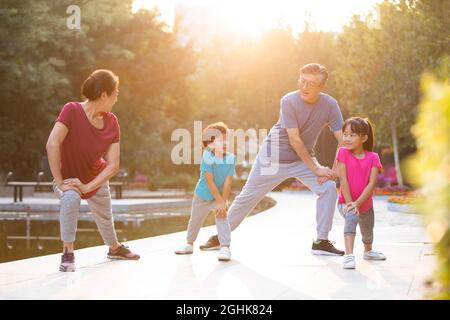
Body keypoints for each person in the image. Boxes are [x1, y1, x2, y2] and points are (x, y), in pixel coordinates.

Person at [200, 63, 345, 256]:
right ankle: (219, 237)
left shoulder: (330, 105)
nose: (304, 87)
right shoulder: (289, 101)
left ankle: (321, 241)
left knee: (328, 188)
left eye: (311, 83)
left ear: (321, 87)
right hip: (272, 158)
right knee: (246, 198)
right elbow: (295, 139)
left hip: (302, 160)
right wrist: (317, 169)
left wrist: (334, 171)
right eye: (302, 81)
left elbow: (342, 140)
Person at [46, 69, 140, 272]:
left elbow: (113, 165)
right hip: (69, 179)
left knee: (106, 217)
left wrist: (88, 185)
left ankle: (114, 248)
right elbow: (52, 143)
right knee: (70, 199)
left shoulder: (112, 121)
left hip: (96, 177)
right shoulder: (71, 110)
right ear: (105, 94)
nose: (117, 98)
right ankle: (68, 253)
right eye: (116, 93)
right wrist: (61, 182)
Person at [175, 122, 235, 261]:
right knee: (195, 220)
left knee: (222, 217)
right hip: (202, 195)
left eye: (227, 139)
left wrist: (223, 201)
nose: (226, 143)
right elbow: (209, 180)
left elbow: (228, 180)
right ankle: (189, 244)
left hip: (219, 196)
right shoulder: (207, 156)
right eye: (221, 140)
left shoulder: (231, 158)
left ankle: (225, 247)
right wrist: (220, 200)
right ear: (211, 144)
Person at [336, 117, 386, 269]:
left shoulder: (373, 157)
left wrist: (358, 203)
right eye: (345, 134)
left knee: (367, 229)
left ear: (364, 137)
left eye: (352, 135)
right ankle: (349, 255)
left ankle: (368, 251)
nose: (347, 138)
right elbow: (343, 179)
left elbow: (371, 184)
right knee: (351, 217)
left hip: (365, 204)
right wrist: (351, 203)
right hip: (346, 202)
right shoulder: (342, 153)